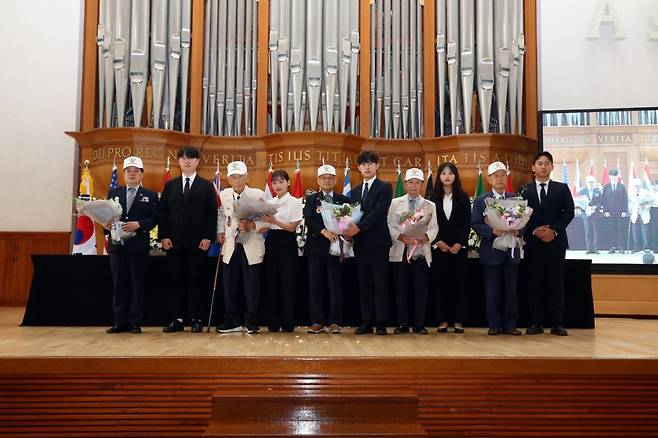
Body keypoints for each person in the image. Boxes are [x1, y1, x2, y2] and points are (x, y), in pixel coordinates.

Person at [159, 146, 218, 333]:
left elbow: (212, 214)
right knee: (176, 280)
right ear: (178, 161)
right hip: (173, 242)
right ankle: (176, 319)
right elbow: (163, 213)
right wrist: (164, 236)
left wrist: (208, 237)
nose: (187, 161)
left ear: (197, 162)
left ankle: (196, 318)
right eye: (183, 157)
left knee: (196, 280)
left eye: (191, 158)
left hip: (198, 242)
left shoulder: (207, 186)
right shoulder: (170, 185)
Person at [521, 151, 575, 336]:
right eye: (539, 163)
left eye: (547, 163)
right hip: (533, 244)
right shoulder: (525, 190)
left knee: (556, 284)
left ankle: (557, 323)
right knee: (534, 284)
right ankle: (536, 323)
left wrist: (553, 230)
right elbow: (521, 215)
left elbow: (569, 213)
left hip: (556, 243)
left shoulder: (562, 188)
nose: (543, 167)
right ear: (533, 168)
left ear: (552, 167)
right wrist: (536, 230)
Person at [105, 156, 158, 334]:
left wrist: (139, 225)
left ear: (142, 174)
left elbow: (155, 219)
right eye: (129, 171)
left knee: (137, 284)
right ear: (124, 173)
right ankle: (119, 321)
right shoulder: (113, 193)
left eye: (136, 171)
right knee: (119, 284)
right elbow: (108, 216)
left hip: (137, 247)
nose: (132, 174)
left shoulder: (150, 195)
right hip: (117, 247)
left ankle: (135, 322)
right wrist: (106, 224)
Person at [344, 151, 393, 335]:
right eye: (363, 164)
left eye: (371, 163)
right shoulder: (354, 191)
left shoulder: (384, 187)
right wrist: (347, 231)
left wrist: (358, 227)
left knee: (379, 283)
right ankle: (366, 321)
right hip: (361, 243)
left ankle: (380, 323)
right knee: (364, 283)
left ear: (377, 166)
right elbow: (350, 215)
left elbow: (378, 212)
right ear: (358, 167)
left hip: (379, 242)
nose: (367, 167)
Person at [216, 161, 266, 334]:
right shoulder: (224, 194)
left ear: (247, 177)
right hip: (231, 246)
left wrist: (252, 225)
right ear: (228, 179)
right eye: (233, 177)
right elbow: (221, 215)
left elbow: (267, 219)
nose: (237, 180)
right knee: (230, 285)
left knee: (251, 286)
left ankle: (252, 321)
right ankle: (232, 320)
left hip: (251, 245)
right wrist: (219, 232)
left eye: (240, 176)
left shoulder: (257, 194)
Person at [472, 162, 522, 336]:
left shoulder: (515, 199)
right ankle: (494, 324)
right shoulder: (481, 201)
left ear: (506, 177)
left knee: (511, 290)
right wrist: (492, 230)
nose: (500, 178)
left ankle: (510, 325)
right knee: (492, 290)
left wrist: (518, 229)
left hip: (511, 251)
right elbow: (475, 224)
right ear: (489, 179)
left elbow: (522, 223)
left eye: (502, 175)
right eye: (496, 176)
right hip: (491, 252)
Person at [387, 168, 438, 335]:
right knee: (401, 289)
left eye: (417, 182)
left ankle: (419, 324)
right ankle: (402, 323)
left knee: (420, 290)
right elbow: (390, 225)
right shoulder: (395, 203)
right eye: (411, 182)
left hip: (421, 252)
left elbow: (434, 227)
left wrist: (426, 236)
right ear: (405, 184)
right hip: (401, 251)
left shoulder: (430, 205)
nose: (414, 186)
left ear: (422, 185)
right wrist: (401, 237)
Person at [303, 164, 351, 334]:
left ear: (335, 180)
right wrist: (324, 231)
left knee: (335, 285)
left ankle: (335, 321)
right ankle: (317, 321)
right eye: (324, 178)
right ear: (318, 180)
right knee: (315, 285)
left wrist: (343, 230)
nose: (327, 180)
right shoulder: (311, 199)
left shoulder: (343, 199)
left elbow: (346, 222)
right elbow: (308, 219)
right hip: (316, 247)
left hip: (336, 248)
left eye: (330, 177)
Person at [260, 170, 303, 332]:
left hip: (287, 243)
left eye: (281, 182)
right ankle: (273, 322)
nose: (277, 185)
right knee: (272, 282)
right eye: (274, 182)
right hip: (271, 242)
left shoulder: (295, 202)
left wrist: (273, 220)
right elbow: (267, 226)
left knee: (287, 282)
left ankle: (288, 323)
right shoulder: (269, 202)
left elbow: (292, 228)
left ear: (288, 182)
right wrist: (263, 226)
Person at [431, 163, 471, 334]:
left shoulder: (463, 197)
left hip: (458, 249)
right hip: (439, 248)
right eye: (443, 173)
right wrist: (437, 241)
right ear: (439, 176)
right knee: (440, 285)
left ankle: (458, 320)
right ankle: (443, 320)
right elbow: (429, 223)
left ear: (456, 176)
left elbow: (466, 223)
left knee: (458, 285)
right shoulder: (432, 198)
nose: (447, 176)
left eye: (451, 173)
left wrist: (459, 243)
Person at [601, 168, 628, 254]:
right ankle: (612, 247)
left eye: (615, 176)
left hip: (620, 213)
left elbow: (625, 199)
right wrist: (605, 211)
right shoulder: (606, 187)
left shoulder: (622, 186)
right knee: (611, 230)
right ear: (609, 177)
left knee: (620, 230)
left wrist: (624, 211)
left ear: (617, 177)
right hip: (610, 213)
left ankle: (621, 247)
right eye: (612, 176)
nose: (613, 178)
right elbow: (604, 200)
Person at [576, 175, 602, 254]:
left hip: (595, 214)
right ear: (586, 183)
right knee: (588, 232)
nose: (591, 184)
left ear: (594, 183)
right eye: (589, 182)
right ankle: (589, 249)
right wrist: (585, 208)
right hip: (586, 215)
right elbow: (579, 203)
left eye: (592, 182)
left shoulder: (598, 191)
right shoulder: (582, 191)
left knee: (596, 232)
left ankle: (595, 249)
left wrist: (595, 207)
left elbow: (601, 202)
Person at [628, 178, 653, 252]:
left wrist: (645, 206)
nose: (636, 187)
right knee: (635, 232)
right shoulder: (631, 193)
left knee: (645, 232)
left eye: (638, 186)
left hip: (644, 214)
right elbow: (629, 203)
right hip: (635, 215)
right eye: (635, 186)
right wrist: (630, 209)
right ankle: (637, 247)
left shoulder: (645, 192)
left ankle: (646, 247)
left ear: (640, 186)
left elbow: (651, 201)